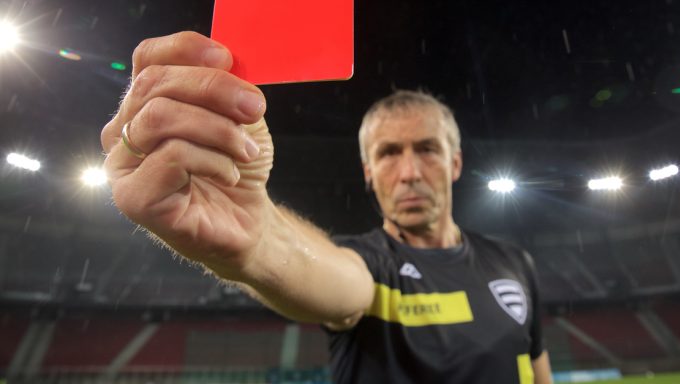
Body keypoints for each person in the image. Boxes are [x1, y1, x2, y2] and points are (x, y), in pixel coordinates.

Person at [101, 31, 553, 384]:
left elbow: (536, 369)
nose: (410, 171)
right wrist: (258, 239)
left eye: (428, 149)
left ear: (455, 163)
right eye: (389, 153)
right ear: (368, 172)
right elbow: (335, 280)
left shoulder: (515, 265)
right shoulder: (371, 268)